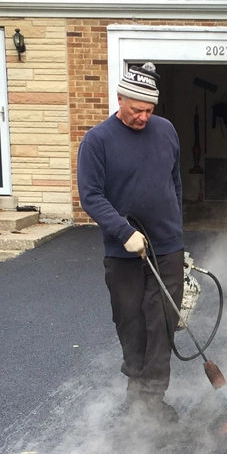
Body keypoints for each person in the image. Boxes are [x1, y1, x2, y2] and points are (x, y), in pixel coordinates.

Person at [77, 62, 184, 423]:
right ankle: (138, 395)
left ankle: (150, 400)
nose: (143, 117)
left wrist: (175, 232)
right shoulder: (97, 140)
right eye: (136, 109)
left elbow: (175, 184)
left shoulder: (166, 131)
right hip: (123, 253)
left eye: (149, 110)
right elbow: (90, 196)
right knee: (132, 323)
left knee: (163, 322)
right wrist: (124, 232)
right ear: (119, 98)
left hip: (167, 247)